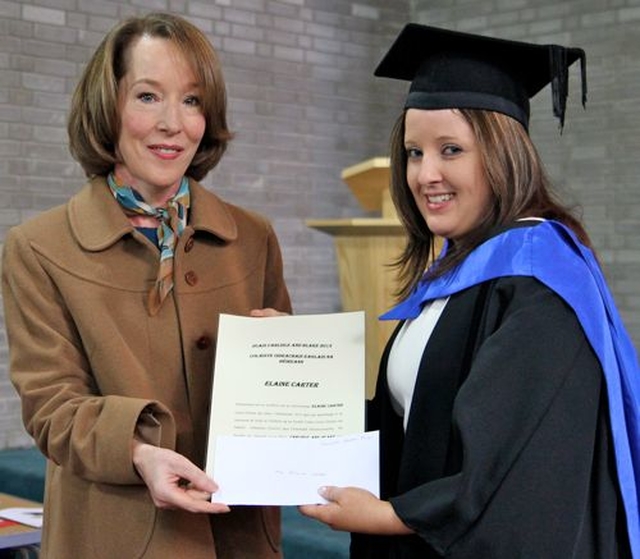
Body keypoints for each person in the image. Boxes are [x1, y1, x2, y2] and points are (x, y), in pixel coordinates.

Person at [299, 23, 640, 558]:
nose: (424, 173)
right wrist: (290, 364)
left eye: (450, 149)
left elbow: (521, 472)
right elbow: (415, 420)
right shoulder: (454, 277)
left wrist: (389, 515)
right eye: (414, 153)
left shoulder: (538, 284)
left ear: (502, 155)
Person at [1, 12, 291, 559]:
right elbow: (51, 406)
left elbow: (282, 394)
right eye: (148, 96)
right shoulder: (38, 247)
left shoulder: (253, 237)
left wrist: (291, 359)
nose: (172, 124)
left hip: (241, 534)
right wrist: (137, 450)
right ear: (107, 105)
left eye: (192, 101)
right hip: (115, 532)